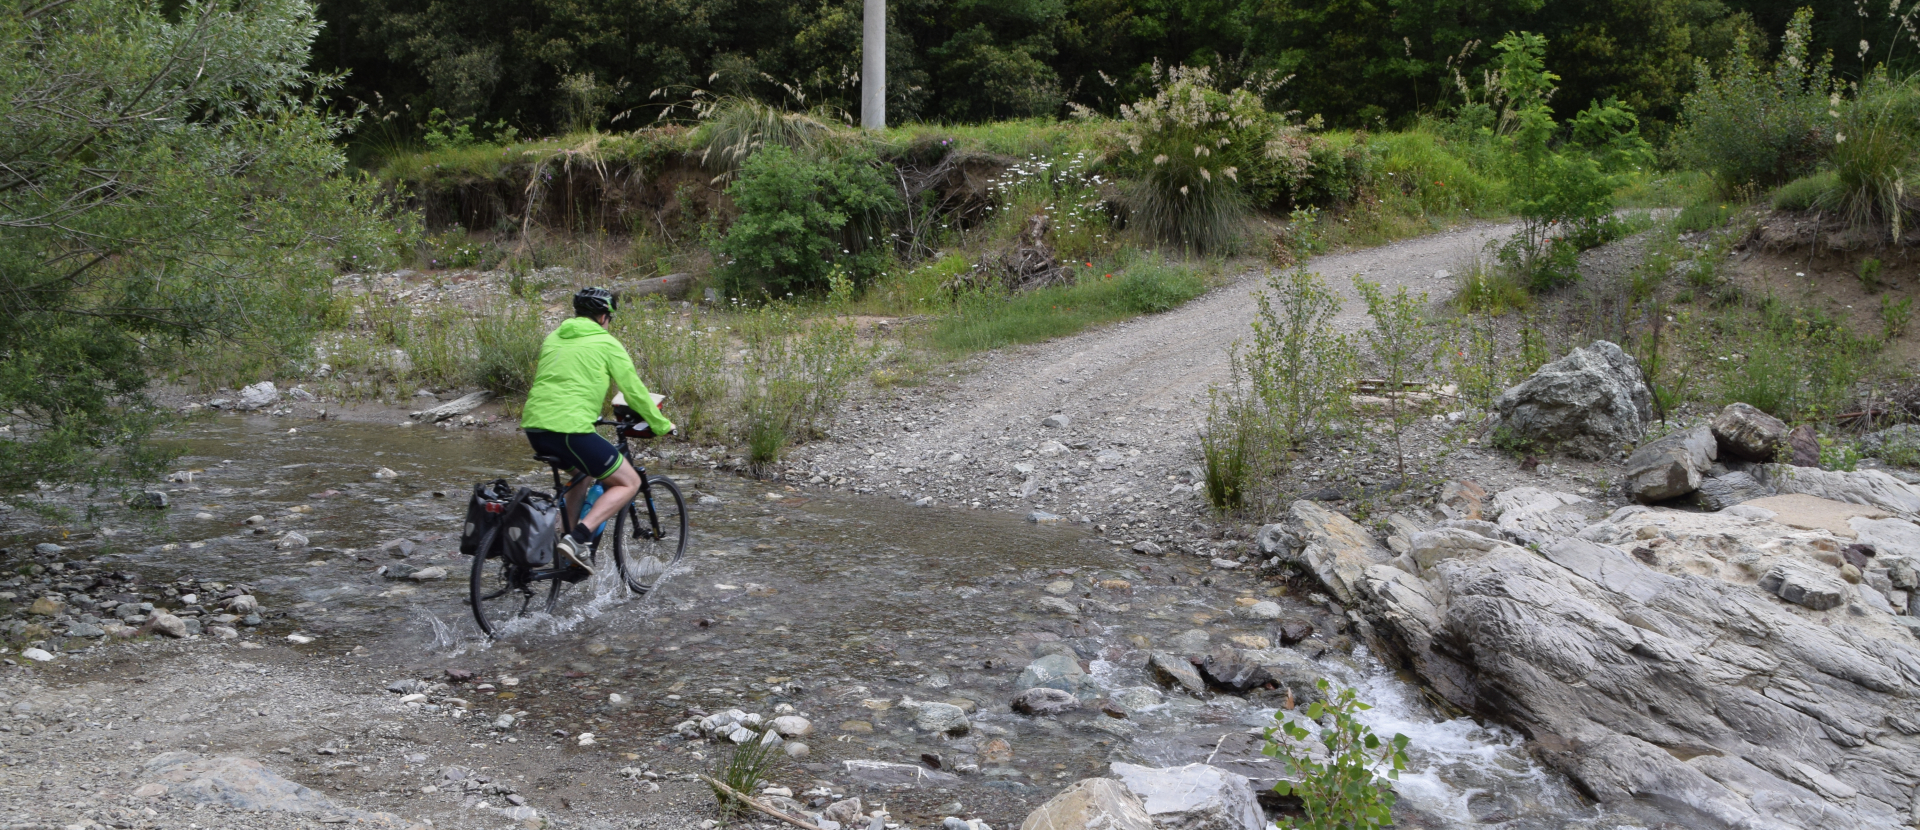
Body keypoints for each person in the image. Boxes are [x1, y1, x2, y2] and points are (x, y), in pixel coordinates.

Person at [520, 287, 674, 573]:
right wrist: (661, 424)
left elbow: (563, 382)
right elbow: (634, 391)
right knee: (630, 482)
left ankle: (561, 546)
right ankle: (577, 540)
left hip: (535, 428)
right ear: (604, 316)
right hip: (570, 430)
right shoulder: (606, 343)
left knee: (582, 474)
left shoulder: (553, 337)